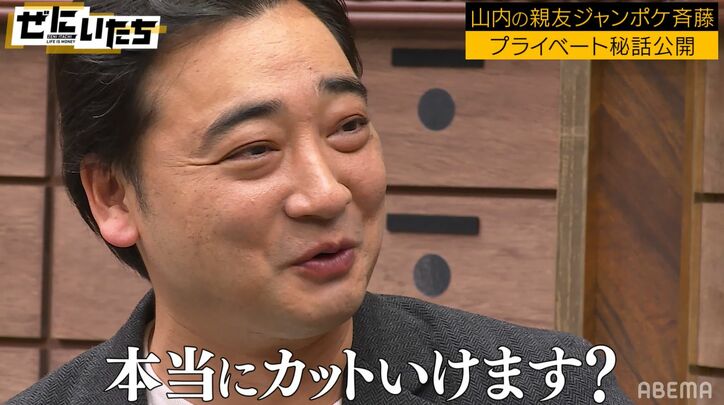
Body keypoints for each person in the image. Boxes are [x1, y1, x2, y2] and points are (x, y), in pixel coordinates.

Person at [9, 1, 631, 404]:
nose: (327, 192)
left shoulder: (553, 387)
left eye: (347, 127)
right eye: (255, 149)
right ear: (114, 195)